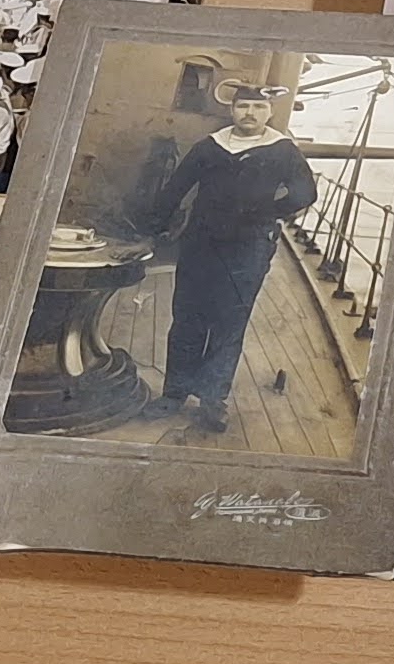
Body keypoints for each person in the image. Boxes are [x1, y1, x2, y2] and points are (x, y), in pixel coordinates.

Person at [137, 80, 322, 434]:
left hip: (249, 248)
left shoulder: (282, 150)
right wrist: (151, 231)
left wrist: (266, 213)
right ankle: (173, 394)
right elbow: (176, 188)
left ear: (269, 111)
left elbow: (305, 192)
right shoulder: (211, 146)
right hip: (201, 243)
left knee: (229, 323)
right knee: (187, 317)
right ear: (232, 110)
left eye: (258, 107)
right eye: (243, 106)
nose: (250, 113)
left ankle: (212, 400)